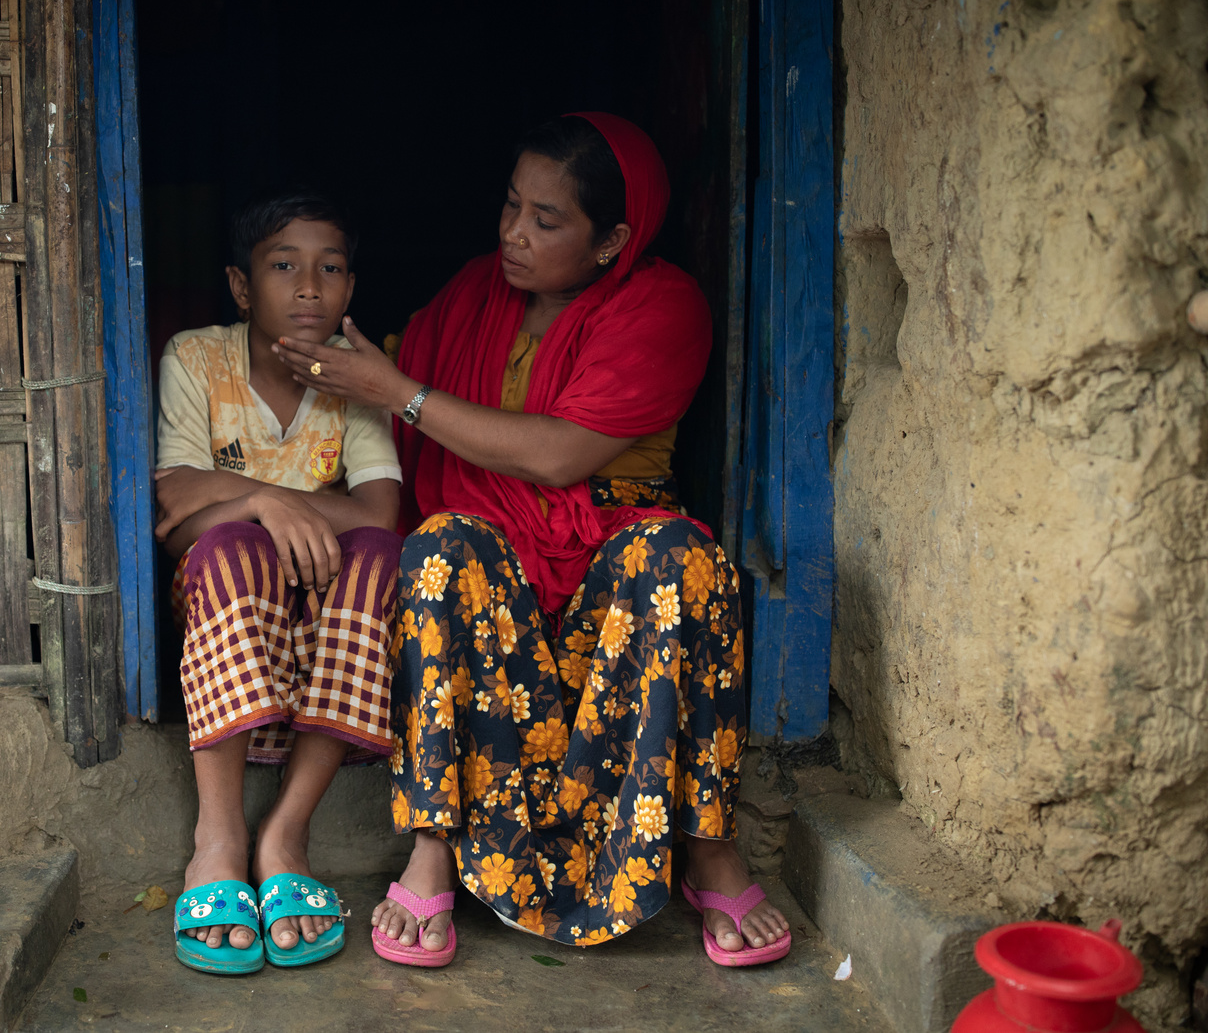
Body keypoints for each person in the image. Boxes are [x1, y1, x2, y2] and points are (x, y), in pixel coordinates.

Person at [270, 113, 793, 967]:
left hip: (611, 583)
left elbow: (559, 455)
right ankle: (432, 843)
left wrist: (398, 390)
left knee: (685, 561)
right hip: (501, 577)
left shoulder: (662, 307)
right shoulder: (476, 294)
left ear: (612, 239)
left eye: (546, 220)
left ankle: (710, 847)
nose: (514, 233)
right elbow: (374, 377)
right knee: (439, 548)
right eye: (511, 206)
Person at [153, 191, 402, 975]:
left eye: (329, 269)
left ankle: (285, 833)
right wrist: (265, 501)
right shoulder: (197, 358)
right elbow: (175, 514)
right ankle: (219, 838)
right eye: (283, 266)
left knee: (379, 557)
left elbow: (380, 516)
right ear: (240, 285)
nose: (307, 288)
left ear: (350, 290)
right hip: (229, 606)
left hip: (323, 620)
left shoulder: (358, 381)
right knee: (230, 545)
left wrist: (248, 498)